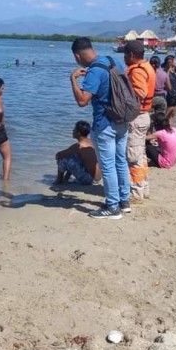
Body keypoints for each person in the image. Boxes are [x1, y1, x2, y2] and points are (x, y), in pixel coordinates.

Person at [70, 37, 130, 219]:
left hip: (105, 124)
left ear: (77, 55)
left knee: (108, 166)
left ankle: (112, 206)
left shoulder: (94, 71)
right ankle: (124, 201)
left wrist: (73, 79)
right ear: (92, 48)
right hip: (122, 119)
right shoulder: (113, 61)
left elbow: (82, 101)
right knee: (121, 161)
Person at [124, 40, 156, 202]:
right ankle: (144, 188)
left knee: (133, 156)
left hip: (137, 117)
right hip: (144, 115)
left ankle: (136, 194)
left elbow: (141, 92)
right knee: (141, 154)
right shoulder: (148, 66)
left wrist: (123, 95)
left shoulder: (137, 70)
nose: (123, 58)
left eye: (124, 54)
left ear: (130, 55)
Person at [54, 120, 100, 185]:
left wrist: (61, 155)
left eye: (74, 129)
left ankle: (58, 181)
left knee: (62, 159)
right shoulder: (91, 142)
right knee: (74, 155)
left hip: (88, 180)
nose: (73, 131)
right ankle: (66, 179)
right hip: (97, 179)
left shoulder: (79, 145)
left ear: (78, 133)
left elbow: (58, 155)